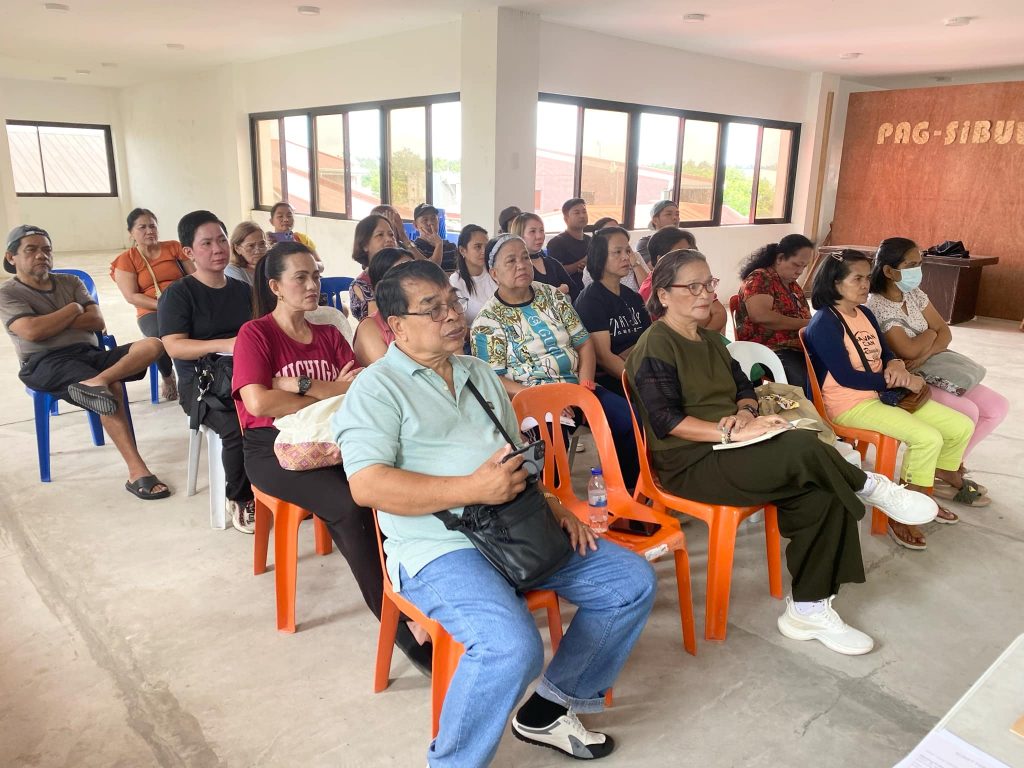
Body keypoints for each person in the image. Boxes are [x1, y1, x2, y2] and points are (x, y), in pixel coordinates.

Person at [335, 259, 656, 766]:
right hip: (439, 547)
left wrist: (551, 501)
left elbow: (513, 453)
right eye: (432, 308)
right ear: (395, 327)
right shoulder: (375, 390)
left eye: (452, 302)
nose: (451, 315)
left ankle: (550, 707)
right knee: (511, 647)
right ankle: (453, 761)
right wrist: (472, 488)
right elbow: (366, 486)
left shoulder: (479, 373)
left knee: (630, 582)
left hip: (514, 525)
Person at [626, 249, 938, 655]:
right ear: (664, 295)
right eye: (694, 286)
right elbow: (668, 421)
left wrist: (745, 414)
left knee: (823, 492)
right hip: (692, 461)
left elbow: (743, 388)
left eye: (710, 284)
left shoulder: (710, 340)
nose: (706, 294)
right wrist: (732, 432)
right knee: (805, 445)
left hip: (735, 445)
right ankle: (871, 486)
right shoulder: (654, 346)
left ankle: (808, 609)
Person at [231, 241, 431, 671]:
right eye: (300, 277)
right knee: (349, 504)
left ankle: (424, 596)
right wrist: (328, 390)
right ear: (275, 286)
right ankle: (399, 625)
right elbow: (259, 405)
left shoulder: (327, 333)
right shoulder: (257, 334)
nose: (312, 284)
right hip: (274, 451)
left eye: (315, 275)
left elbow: (358, 390)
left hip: (337, 438)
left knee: (397, 486)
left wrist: (299, 386)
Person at [804, 249, 977, 551]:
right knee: (928, 438)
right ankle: (903, 514)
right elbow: (846, 377)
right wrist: (899, 379)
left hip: (882, 395)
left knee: (960, 426)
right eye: (857, 278)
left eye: (866, 277)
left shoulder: (865, 313)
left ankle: (925, 493)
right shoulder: (825, 323)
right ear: (834, 283)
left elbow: (885, 352)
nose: (865, 284)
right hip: (849, 404)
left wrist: (895, 363)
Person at [2, 225, 170, 499]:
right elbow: (32, 332)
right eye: (31, 250)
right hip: (45, 362)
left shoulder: (71, 282)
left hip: (89, 355)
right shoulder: (9, 293)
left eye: (46, 249)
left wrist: (50, 322)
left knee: (153, 344)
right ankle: (138, 472)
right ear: (11, 258)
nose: (41, 255)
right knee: (110, 389)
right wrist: (73, 308)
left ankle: (98, 380)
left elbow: (97, 321)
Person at [472, 234, 640, 487]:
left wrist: (583, 385)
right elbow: (494, 377)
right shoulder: (487, 322)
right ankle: (558, 508)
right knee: (551, 446)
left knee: (629, 420)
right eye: (511, 261)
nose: (522, 265)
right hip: (532, 397)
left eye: (525, 257)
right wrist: (546, 398)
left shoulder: (553, 296)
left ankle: (627, 491)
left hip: (577, 386)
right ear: (494, 273)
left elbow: (584, 343)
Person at [867, 237, 1007, 489]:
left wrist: (925, 348)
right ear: (889, 271)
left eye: (920, 263)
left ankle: (946, 465)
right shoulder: (877, 304)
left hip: (932, 364)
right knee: (969, 412)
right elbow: (907, 349)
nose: (917, 270)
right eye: (910, 264)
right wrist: (931, 336)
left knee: (997, 407)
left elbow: (945, 332)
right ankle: (939, 470)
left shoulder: (914, 294)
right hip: (910, 377)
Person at [159, 210, 255, 533]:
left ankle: (276, 485)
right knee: (235, 425)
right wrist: (226, 343)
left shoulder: (242, 291)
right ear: (189, 252)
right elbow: (173, 346)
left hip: (242, 376)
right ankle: (240, 498)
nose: (218, 249)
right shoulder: (179, 294)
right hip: (200, 386)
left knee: (278, 413)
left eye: (222, 240)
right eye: (207, 243)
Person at [109, 208, 193, 402]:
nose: (149, 231)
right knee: (159, 335)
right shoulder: (126, 259)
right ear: (131, 232)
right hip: (150, 310)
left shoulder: (173, 247)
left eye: (153, 226)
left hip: (183, 302)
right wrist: (164, 306)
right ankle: (167, 375)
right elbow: (132, 296)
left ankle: (194, 375)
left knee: (202, 327)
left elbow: (193, 276)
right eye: (142, 227)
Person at [574, 226, 651, 396]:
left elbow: (649, 341)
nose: (626, 257)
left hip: (641, 369)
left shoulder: (632, 297)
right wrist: (643, 383)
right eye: (617, 252)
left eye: (628, 250)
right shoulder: (591, 300)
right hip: (614, 381)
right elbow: (604, 358)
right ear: (600, 257)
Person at [735, 234, 815, 389]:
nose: (800, 271)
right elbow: (760, 315)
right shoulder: (761, 278)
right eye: (796, 265)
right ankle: (805, 411)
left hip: (797, 347)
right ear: (780, 258)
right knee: (803, 382)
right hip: (769, 348)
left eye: (804, 267)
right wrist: (807, 324)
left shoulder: (792, 285)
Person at [638, 228, 727, 333]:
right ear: (660, 259)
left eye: (689, 251)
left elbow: (720, 313)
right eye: (680, 255)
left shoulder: (697, 280)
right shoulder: (649, 290)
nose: (688, 258)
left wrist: (704, 338)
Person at [352, 248, 416, 367]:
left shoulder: (426, 315)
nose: (416, 281)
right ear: (380, 287)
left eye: (417, 272)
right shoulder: (370, 328)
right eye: (402, 275)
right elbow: (390, 378)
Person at [509, 213, 574, 298]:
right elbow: (526, 299)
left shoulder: (552, 263)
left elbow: (573, 291)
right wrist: (558, 291)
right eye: (532, 231)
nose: (539, 236)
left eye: (542, 230)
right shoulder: (516, 268)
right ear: (520, 235)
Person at [349, 214, 398, 322]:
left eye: (391, 235)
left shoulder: (402, 274)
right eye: (380, 235)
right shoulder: (361, 285)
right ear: (365, 245)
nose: (389, 239)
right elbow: (380, 323)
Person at [449, 224, 496, 326]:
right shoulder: (455, 282)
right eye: (478, 247)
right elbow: (458, 323)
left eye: (486, 246)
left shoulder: (494, 272)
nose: (484, 251)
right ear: (462, 250)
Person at [545, 197, 590, 294]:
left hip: (591, 290)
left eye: (584, 212)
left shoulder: (592, 241)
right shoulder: (556, 243)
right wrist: (582, 262)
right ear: (566, 219)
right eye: (577, 213)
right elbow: (555, 272)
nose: (582, 216)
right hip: (569, 294)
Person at [412, 203, 458, 273]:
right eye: (425, 220)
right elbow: (431, 272)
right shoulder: (414, 248)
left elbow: (461, 273)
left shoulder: (451, 246)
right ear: (415, 225)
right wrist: (439, 245)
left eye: (433, 218)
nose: (430, 223)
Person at [225, 221, 268, 288]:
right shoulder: (232, 270)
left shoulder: (270, 267)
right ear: (237, 249)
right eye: (251, 246)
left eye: (262, 244)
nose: (258, 250)